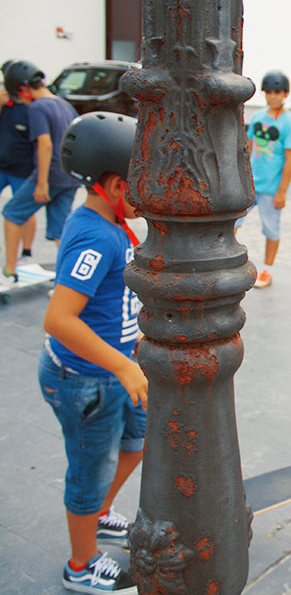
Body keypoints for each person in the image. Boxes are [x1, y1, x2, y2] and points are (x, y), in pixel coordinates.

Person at [42, 111, 145, 594]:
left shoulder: (115, 224)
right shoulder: (93, 234)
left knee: (136, 443)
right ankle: (80, 564)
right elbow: (59, 319)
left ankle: (100, 512)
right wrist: (123, 363)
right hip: (85, 379)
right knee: (89, 470)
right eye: (141, 183)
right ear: (114, 184)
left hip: (115, 366)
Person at [1, 59, 80, 286]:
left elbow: (44, 144)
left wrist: (42, 183)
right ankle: (64, 282)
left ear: (24, 89)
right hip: (69, 175)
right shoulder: (64, 104)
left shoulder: (38, 107)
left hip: (50, 175)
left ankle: (9, 272)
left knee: (11, 214)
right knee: (59, 231)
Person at [238, 70, 291, 288]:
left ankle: (267, 270)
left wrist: (282, 191)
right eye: (269, 92)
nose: (273, 96)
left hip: (271, 187)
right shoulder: (258, 117)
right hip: (250, 184)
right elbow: (249, 147)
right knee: (233, 221)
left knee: (271, 229)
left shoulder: (290, 124)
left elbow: (290, 160)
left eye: (277, 92)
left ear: (285, 94)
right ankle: (230, 260)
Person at [0, 60, 38, 264]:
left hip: (23, 169)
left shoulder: (31, 107)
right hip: (2, 165)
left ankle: (27, 251)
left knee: (23, 209)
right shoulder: (4, 103)